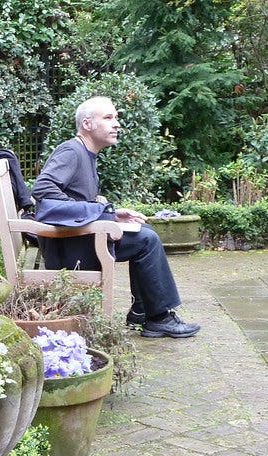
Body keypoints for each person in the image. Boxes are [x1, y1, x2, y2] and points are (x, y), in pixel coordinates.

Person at [31, 96, 200, 338]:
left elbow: (78, 200)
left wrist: (111, 213)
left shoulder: (85, 153)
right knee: (146, 241)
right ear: (87, 124)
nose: (116, 124)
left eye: (116, 117)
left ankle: (143, 311)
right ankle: (159, 317)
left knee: (146, 231)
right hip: (69, 246)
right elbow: (43, 189)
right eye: (108, 118)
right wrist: (96, 213)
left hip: (77, 238)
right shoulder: (71, 151)